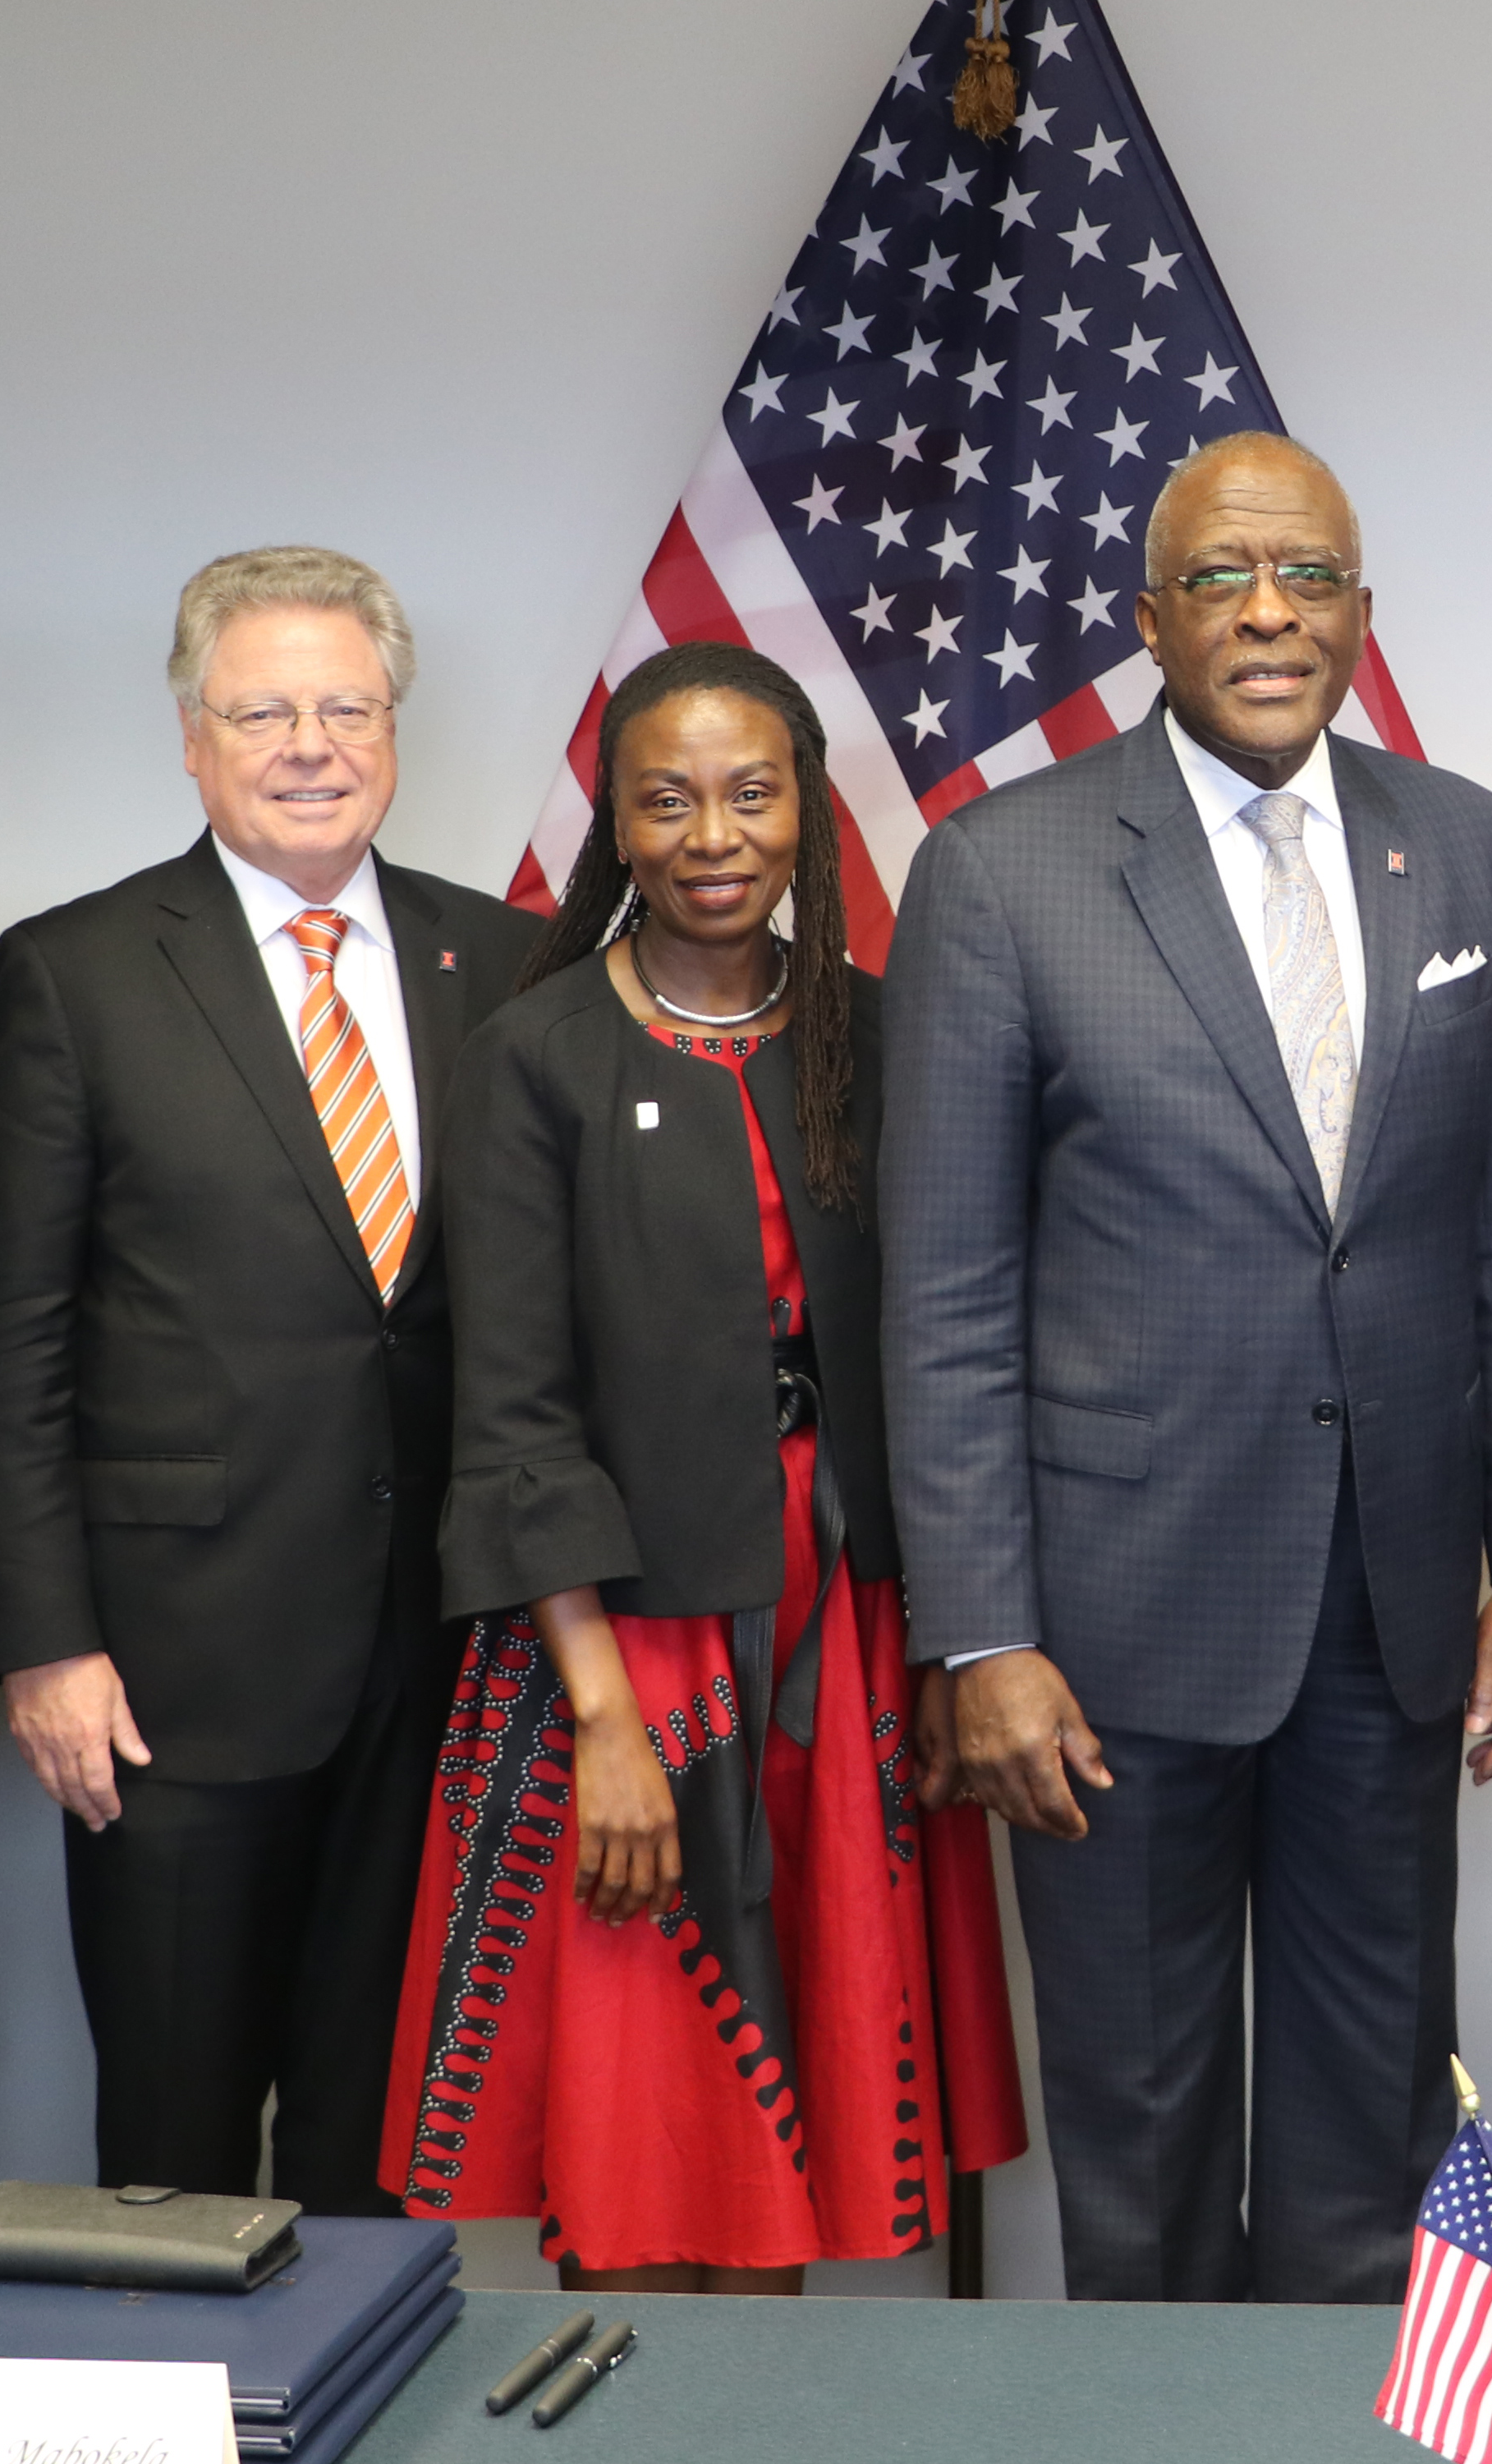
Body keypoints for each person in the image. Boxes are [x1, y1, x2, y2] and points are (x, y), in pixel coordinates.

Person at [883, 433, 1492, 2304]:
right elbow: (946, 1286)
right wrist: (982, 1635)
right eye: (1221, 577)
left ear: (1360, 610)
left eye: (1309, 576)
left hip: (1394, 1601)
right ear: (1149, 620)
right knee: (1146, 2140)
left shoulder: (1467, 844)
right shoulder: (1001, 869)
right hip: (1110, 1631)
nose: (1268, 611)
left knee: (1377, 2137)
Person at [387, 640, 1023, 2288]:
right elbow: (509, 1409)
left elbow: (957, 1353)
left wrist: (957, 1641)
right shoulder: (534, 1056)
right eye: (666, 801)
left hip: (852, 1642)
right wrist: (600, 1715)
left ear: (808, 809)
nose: (713, 835)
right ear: (618, 823)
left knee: (798, 2114)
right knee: (640, 2127)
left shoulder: (883, 1038)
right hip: (624, 1645)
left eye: (751, 793)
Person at [0, 546, 541, 2208]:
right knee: (178, 2143)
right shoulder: (79, 971)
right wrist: (46, 1644)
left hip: (437, 1654)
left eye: (346, 706)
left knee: (383, 2140)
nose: (309, 743)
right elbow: (3, 1339)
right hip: (170, 1668)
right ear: (192, 739)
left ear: (395, 732)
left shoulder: (499, 966)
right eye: (263, 708)